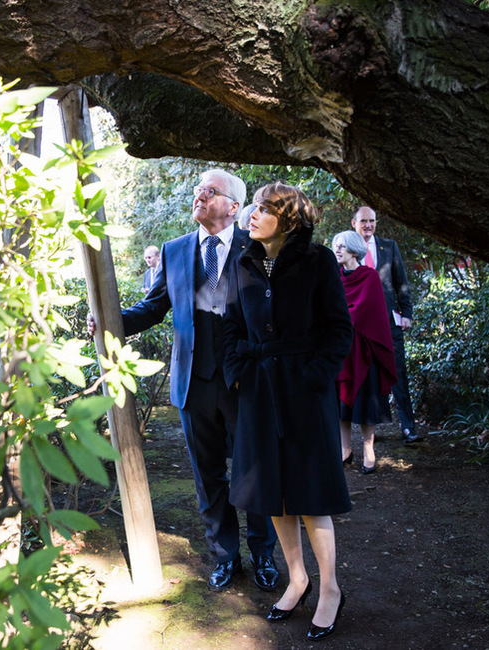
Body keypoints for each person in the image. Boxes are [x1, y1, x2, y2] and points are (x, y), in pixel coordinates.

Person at [89, 169, 279, 593]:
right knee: (207, 474)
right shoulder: (175, 251)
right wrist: (108, 319)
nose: (199, 196)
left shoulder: (258, 247)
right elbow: (153, 307)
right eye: (197, 191)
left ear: (233, 206)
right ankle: (226, 557)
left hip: (245, 380)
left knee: (254, 467)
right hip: (192, 381)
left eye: (208, 192)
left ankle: (264, 553)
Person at [223, 181, 353, 640]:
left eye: (263, 208)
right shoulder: (243, 263)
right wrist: (238, 372)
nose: (252, 215)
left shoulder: (317, 261)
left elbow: (340, 329)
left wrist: (314, 378)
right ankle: (298, 579)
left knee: (311, 494)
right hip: (260, 390)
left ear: (289, 216)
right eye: (253, 207)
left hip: (305, 393)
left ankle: (331, 588)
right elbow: (232, 328)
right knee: (274, 495)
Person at [352, 206, 421, 442]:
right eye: (363, 221)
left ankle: (408, 427)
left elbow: (401, 282)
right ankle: (369, 428)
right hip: (359, 326)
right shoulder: (347, 248)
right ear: (354, 224)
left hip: (389, 322)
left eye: (372, 221)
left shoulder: (388, 247)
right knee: (364, 374)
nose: (368, 225)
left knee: (398, 372)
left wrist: (407, 313)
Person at [331, 230, 397, 475]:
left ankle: (369, 451)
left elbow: (365, 312)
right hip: (340, 350)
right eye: (336, 246)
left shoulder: (369, 277)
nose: (338, 250)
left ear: (354, 250)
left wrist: (340, 317)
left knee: (365, 401)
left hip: (364, 350)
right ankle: (345, 450)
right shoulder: (334, 277)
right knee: (341, 403)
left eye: (343, 246)